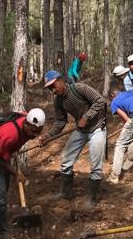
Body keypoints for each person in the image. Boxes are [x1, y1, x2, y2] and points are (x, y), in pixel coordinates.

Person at [40, 70, 108, 208]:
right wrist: (48, 136)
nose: (53, 90)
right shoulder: (58, 101)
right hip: (81, 130)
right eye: (50, 88)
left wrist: (86, 117)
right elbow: (60, 122)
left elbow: (100, 101)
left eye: (53, 86)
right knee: (66, 160)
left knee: (96, 165)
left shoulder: (80, 88)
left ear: (60, 80)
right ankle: (65, 192)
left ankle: (92, 197)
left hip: (97, 127)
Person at [0, 109, 45, 235]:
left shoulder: (27, 118)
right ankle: (3, 231)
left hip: (2, 152)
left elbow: (21, 112)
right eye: (33, 131)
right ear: (26, 124)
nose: (35, 135)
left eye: (38, 132)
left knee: (2, 188)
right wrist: (15, 173)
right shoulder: (10, 135)